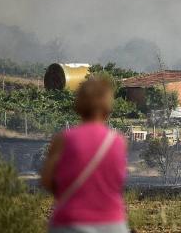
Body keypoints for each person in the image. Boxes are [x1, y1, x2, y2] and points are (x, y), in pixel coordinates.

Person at [41, 75, 129, 233]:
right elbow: (118, 182)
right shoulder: (118, 141)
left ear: (78, 104)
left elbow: (47, 180)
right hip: (112, 223)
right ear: (108, 106)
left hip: (70, 222)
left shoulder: (62, 139)